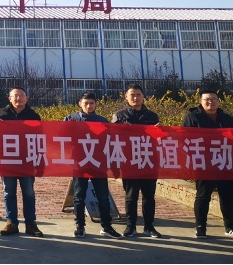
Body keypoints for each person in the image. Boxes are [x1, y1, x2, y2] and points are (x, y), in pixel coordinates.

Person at [182, 90, 233, 239]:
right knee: (203, 196)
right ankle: (200, 227)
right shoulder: (193, 117)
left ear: (218, 101)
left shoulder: (227, 119)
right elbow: (184, 138)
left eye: (214, 99)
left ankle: (230, 227)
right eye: (207, 99)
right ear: (200, 101)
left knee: (227, 196)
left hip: (224, 162)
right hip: (204, 163)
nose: (210, 102)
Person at [64, 92, 121, 239]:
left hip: (98, 163)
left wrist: (113, 165)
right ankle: (80, 226)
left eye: (92, 103)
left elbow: (110, 142)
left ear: (96, 104)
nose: (89, 106)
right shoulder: (71, 119)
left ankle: (107, 226)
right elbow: (60, 138)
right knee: (79, 196)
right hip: (80, 162)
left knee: (103, 196)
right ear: (80, 104)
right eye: (86, 103)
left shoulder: (102, 121)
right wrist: (68, 128)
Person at [112, 83, 161, 238]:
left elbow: (157, 139)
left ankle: (149, 226)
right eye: (132, 95)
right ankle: (130, 226)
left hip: (148, 160)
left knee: (149, 196)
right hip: (129, 161)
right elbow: (112, 138)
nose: (135, 98)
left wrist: (161, 131)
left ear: (143, 97)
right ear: (126, 97)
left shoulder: (152, 116)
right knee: (131, 196)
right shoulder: (119, 116)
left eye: (138, 95)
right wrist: (120, 129)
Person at [0, 86, 43, 237]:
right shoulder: (1, 113)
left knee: (28, 192)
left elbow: (39, 139)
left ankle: (30, 223)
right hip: (7, 160)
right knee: (9, 192)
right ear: (9, 98)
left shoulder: (33, 115)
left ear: (27, 98)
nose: (18, 98)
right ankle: (11, 222)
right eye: (15, 96)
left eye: (21, 96)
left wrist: (40, 161)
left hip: (27, 160)